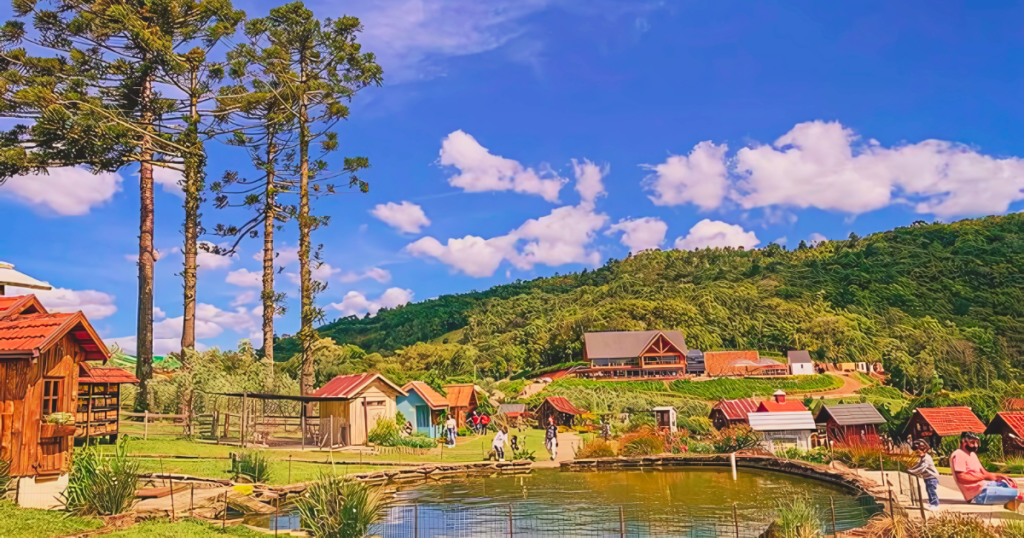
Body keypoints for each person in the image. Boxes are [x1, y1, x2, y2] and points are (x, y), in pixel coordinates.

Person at [951, 431, 1022, 510]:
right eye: (972, 442)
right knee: (1015, 495)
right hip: (977, 495)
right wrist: (985, 477)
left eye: (977, 442)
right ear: (964, 441)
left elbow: (984, 473)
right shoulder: (958, 454)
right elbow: (961, 477)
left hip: (984, 487)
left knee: (1007, 485)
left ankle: (1012, 503)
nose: (976, 445)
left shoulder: (972, 454)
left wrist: (999, 476)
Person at [908, 440, 940, 510]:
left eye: (918, 452)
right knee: (928, 490)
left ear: (924, 450)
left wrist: (912, 472)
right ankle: (932, 503)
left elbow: (922, 468)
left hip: (932, 477)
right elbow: (918, 465)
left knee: (931, 491)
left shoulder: (926, 459)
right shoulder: (922, 458)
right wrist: (911, 469)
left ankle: (935, 504)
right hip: (927, 477)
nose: (917, 453)